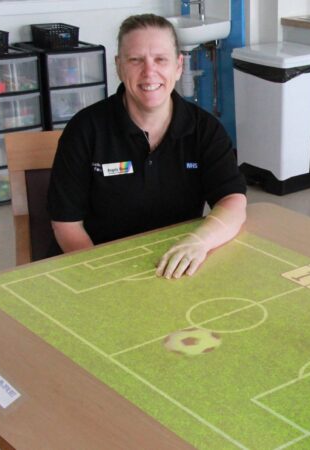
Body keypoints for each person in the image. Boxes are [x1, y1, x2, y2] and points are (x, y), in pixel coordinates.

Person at [47, 14, 246, 279]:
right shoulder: (84, 130)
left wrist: (199, 242)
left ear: (178, 66)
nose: (149, 72)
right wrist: (101, 276)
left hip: (174, 267)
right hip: (100, 266)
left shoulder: (205, 130)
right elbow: (66, 224)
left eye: (160, 59)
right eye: (136, 60)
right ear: (119, 66)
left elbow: (233, 201)